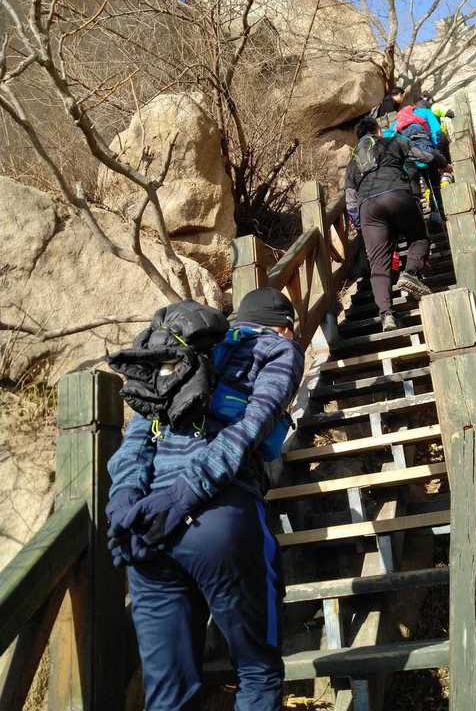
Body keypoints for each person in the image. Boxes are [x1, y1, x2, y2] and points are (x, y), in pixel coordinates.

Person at [105, 288, 305, 711]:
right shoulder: (279, 350)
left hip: (146, 527)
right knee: (257, 672)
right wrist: (187, 494)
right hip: (221, 520)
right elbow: (249, 428)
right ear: (285, 327)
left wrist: (122, 505)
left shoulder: (181, 353)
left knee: (169, 696)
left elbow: (136, 440)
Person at [344, 116, 447, 331]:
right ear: (378, 131)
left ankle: (387, 315)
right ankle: (410, 273)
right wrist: (443, 163)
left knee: (378, 265)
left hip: (368, 208)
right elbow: (423, 156)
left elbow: (350, 199)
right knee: (418, 237)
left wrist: (361, 224)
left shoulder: (353, 161)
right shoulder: (393, 141)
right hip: (396, 194)